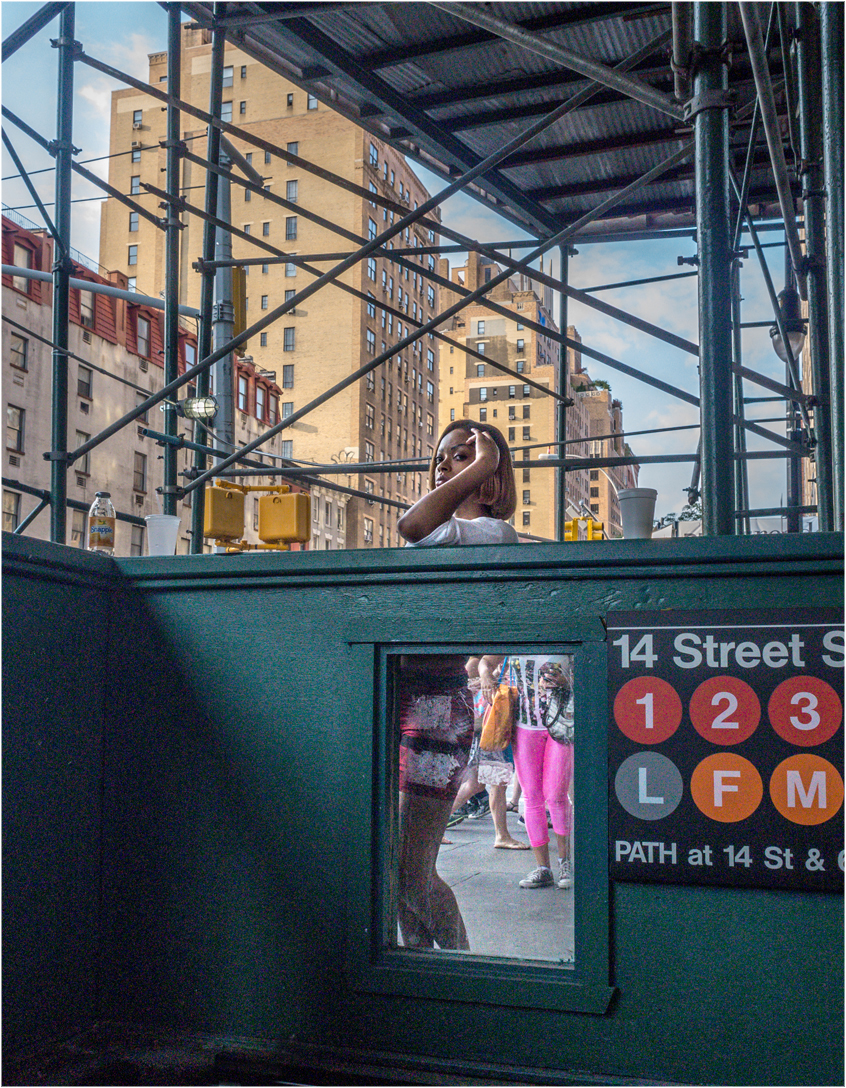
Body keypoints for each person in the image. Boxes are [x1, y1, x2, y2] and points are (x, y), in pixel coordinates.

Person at [395, 420, 518, 950]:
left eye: (464, 455)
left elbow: (413, 524)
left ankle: (460, 974)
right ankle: (427, 979)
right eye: (443, 457)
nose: (447, 464)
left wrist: (483, 466)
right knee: (394, 875)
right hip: (395, 699)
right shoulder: (448, 534)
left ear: (491, 472)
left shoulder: (492, 534)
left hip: (437, 707)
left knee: (410, 875)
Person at [480, 654, 574, 890]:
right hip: (524, 725)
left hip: (561, 723)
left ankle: (566, 864)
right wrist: (485, 677)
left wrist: (567, 680)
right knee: (531, 797)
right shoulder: (516, 634)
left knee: (556, 796)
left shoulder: (563, 631)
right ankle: (544, 868)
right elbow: (485, 662)